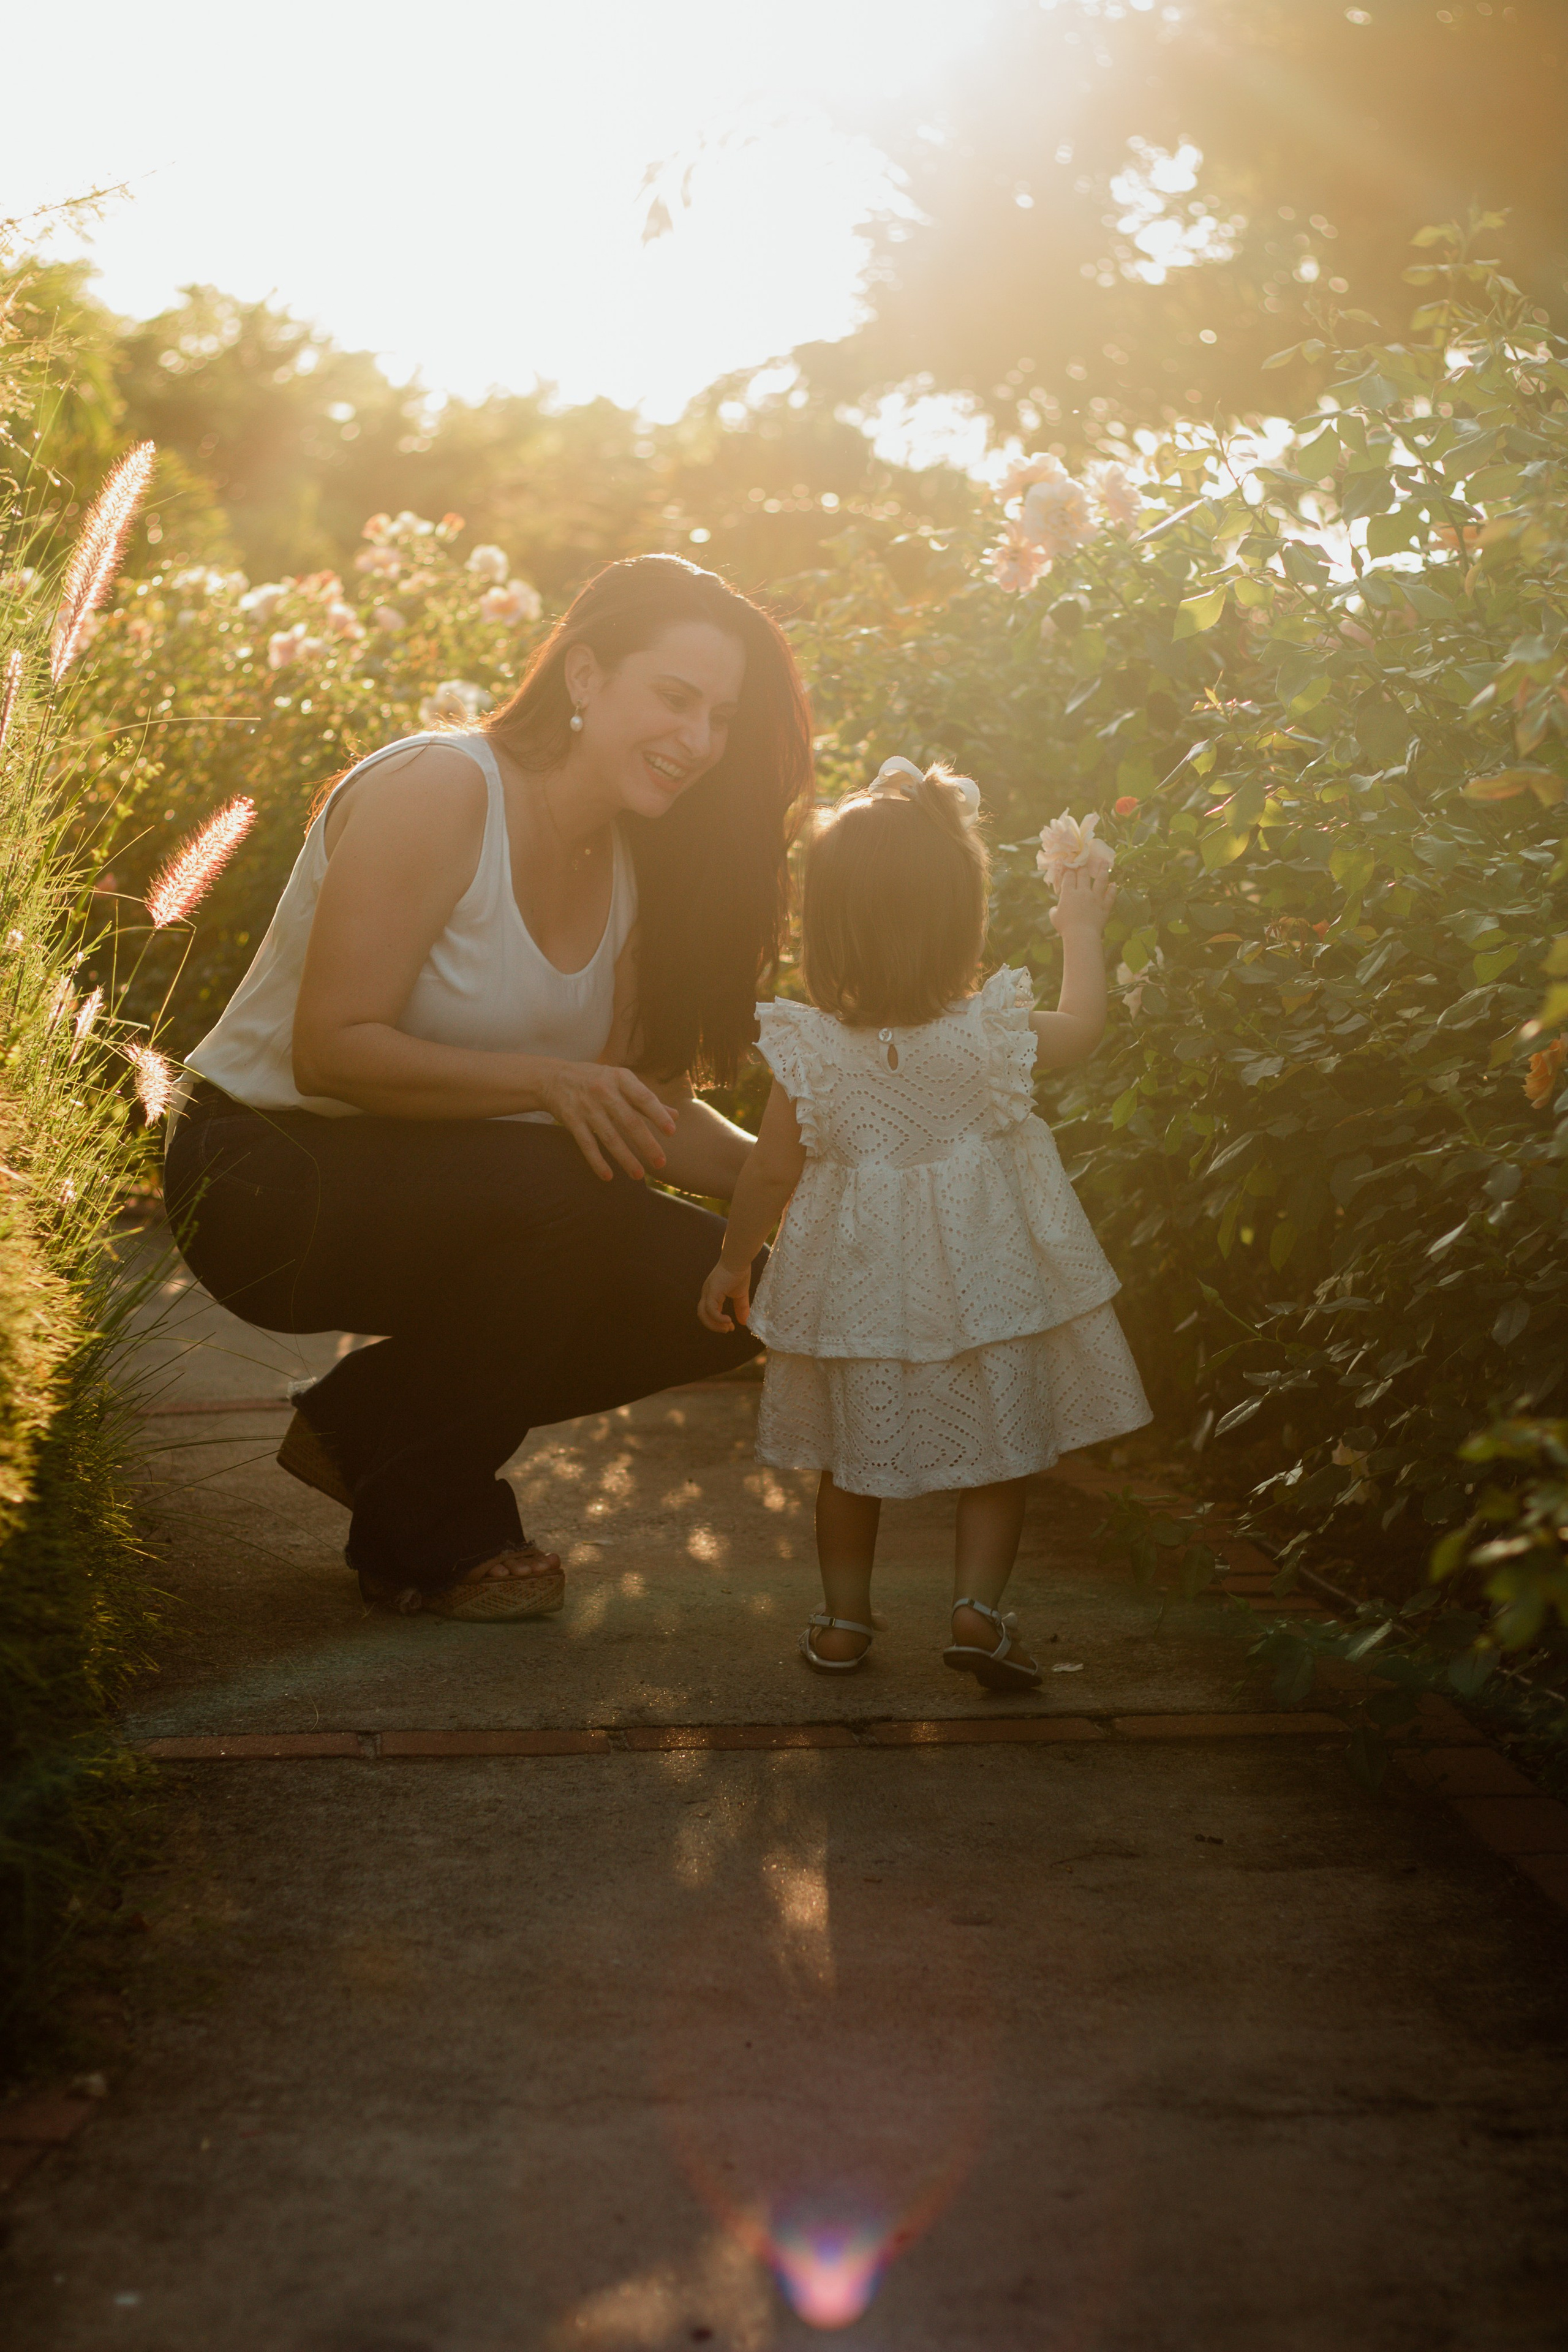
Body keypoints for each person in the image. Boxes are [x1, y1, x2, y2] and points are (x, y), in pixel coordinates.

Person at [164, 556, 813, 1621]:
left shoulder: (631, 865)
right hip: (261, 1177)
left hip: (475, 1194)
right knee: (568, 1184)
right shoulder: (440, 788)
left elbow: (632, 1105)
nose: (699, 742)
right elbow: (332, 1048)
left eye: (722, 718)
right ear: (587, 675)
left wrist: (800, 1179)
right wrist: (549, 1082)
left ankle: (368, 1431)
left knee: (750, 1287)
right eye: (675, 698)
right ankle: (430, 1529)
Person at [697, 757, 1150, 1686]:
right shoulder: (994, 1034)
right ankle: (977, 1612)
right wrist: (1080, 926)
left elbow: (771, 1167)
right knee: (999, 1455)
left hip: (854, 1288)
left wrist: (732, 1261)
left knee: (847, 1463)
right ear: (962, 919)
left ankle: (841, 1622)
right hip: (987, 1285)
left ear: (823, 925)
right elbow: (1088, 1024)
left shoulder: (807, 1048)